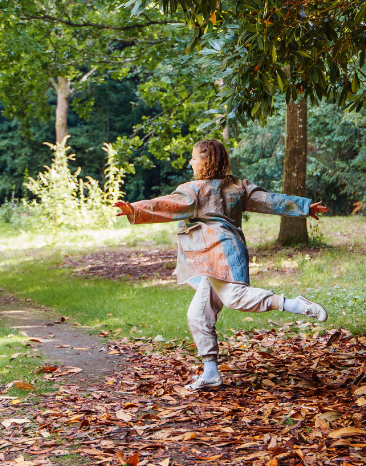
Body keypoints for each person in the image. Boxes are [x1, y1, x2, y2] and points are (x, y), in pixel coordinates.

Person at [114, 139, 330, 390]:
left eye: (194, 157)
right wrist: (304, 206)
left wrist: (134, 209)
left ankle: (294, 304)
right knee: (198, 314)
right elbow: (270, 200)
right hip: (214, 254)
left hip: (219, 252)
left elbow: (167, 205)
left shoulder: (193, 190)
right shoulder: (238, 186)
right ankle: (211, 374)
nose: (191, 162)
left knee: (235, 297)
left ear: (206, 160)